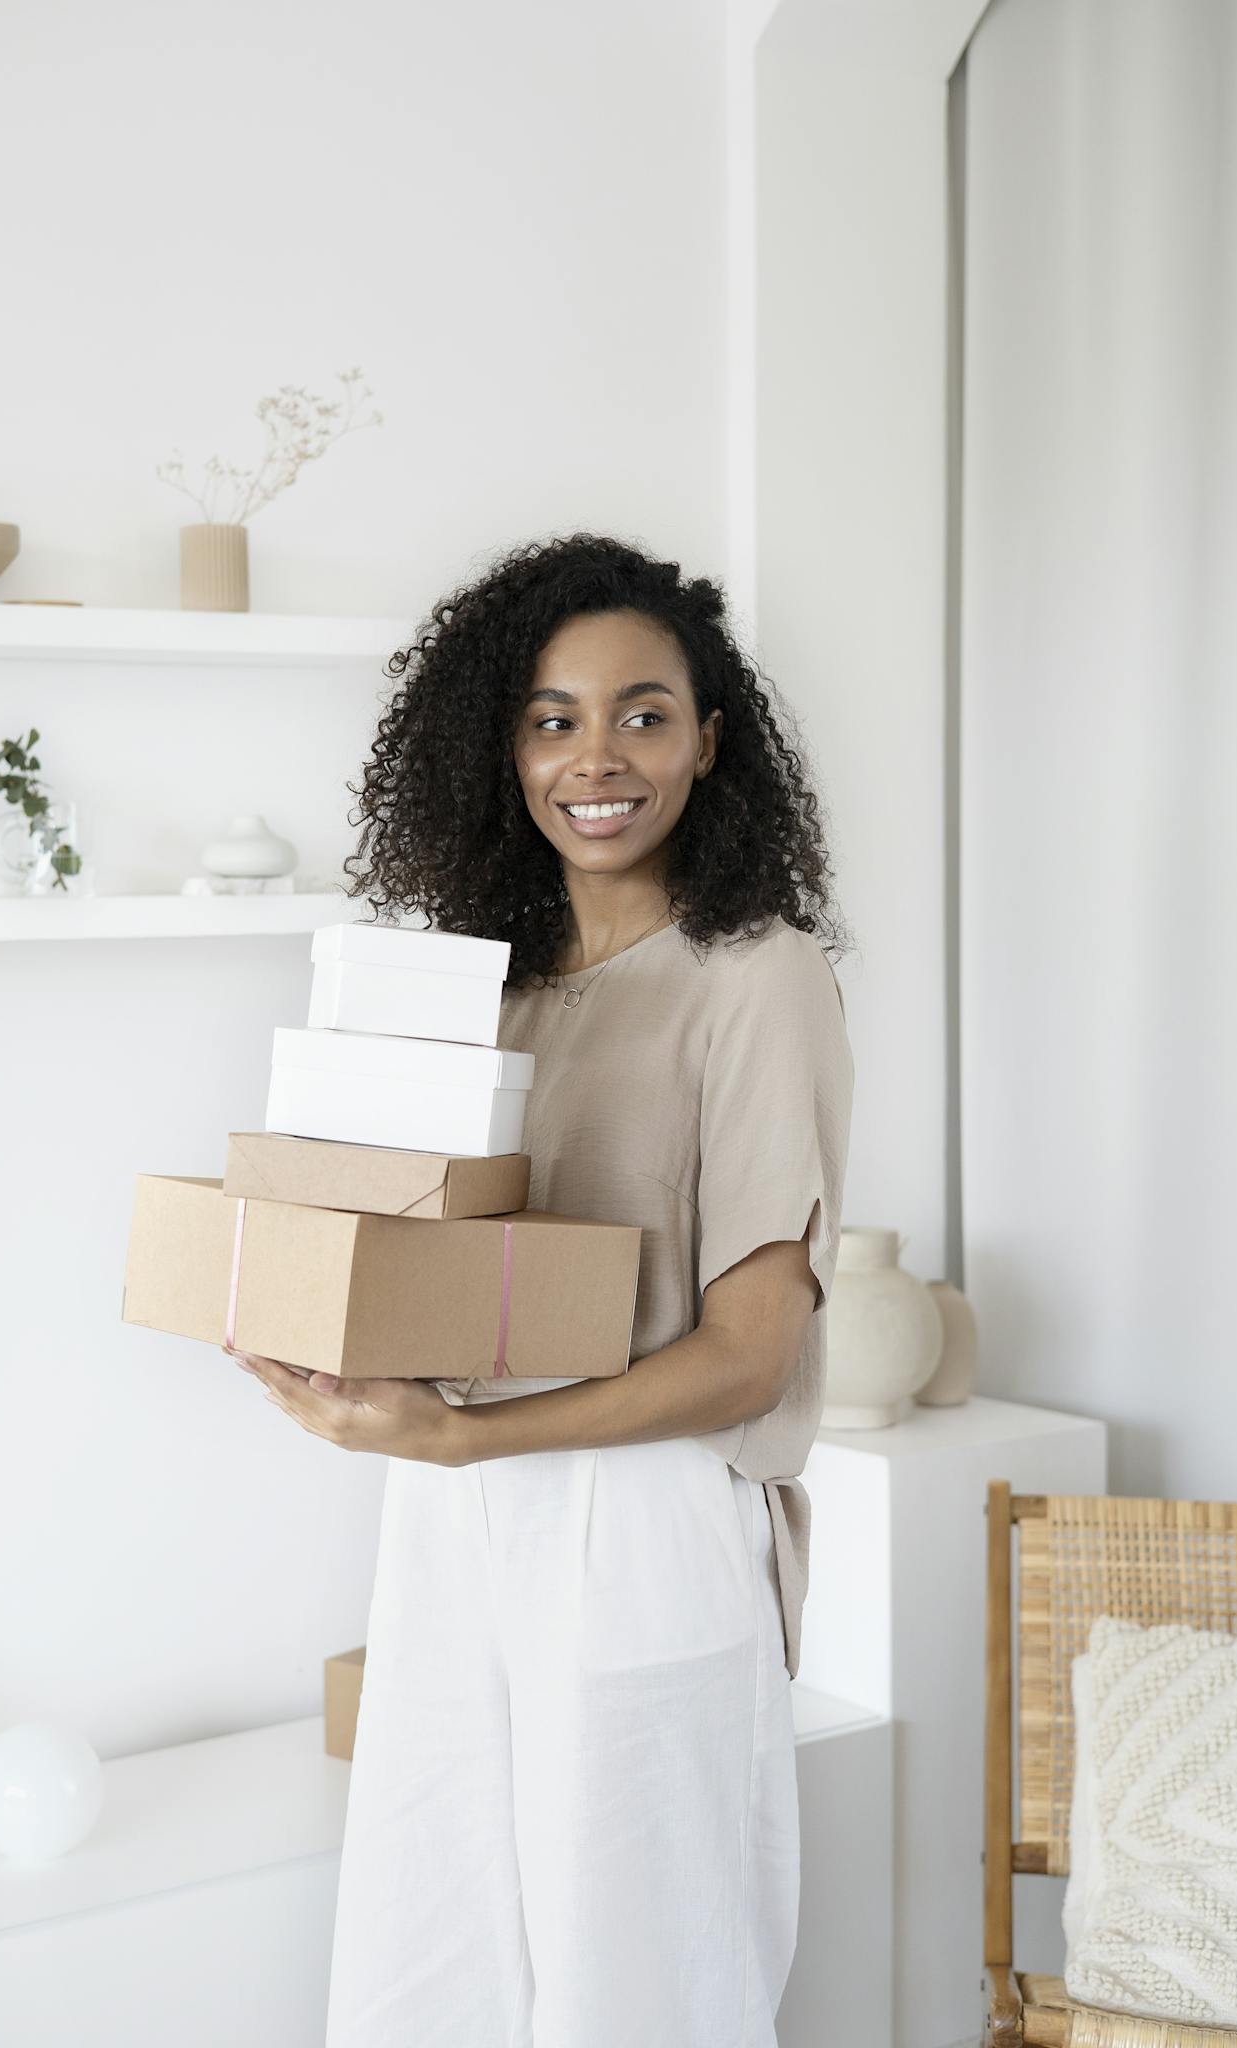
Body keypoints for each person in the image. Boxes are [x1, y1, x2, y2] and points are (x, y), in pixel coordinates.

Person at [232, 532, 856, 2047]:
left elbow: (747, 1359)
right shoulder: (485, 990)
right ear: (500, 747)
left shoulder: (754, 977)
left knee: (643, 1985)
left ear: (710, 745)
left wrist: (460, 1438)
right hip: (453, 1526)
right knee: (429, 1954)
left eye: (643, 713)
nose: (598, 757)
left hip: (637, 1517)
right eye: (550, 717)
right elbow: (430, 1275)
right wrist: (320, 1346)